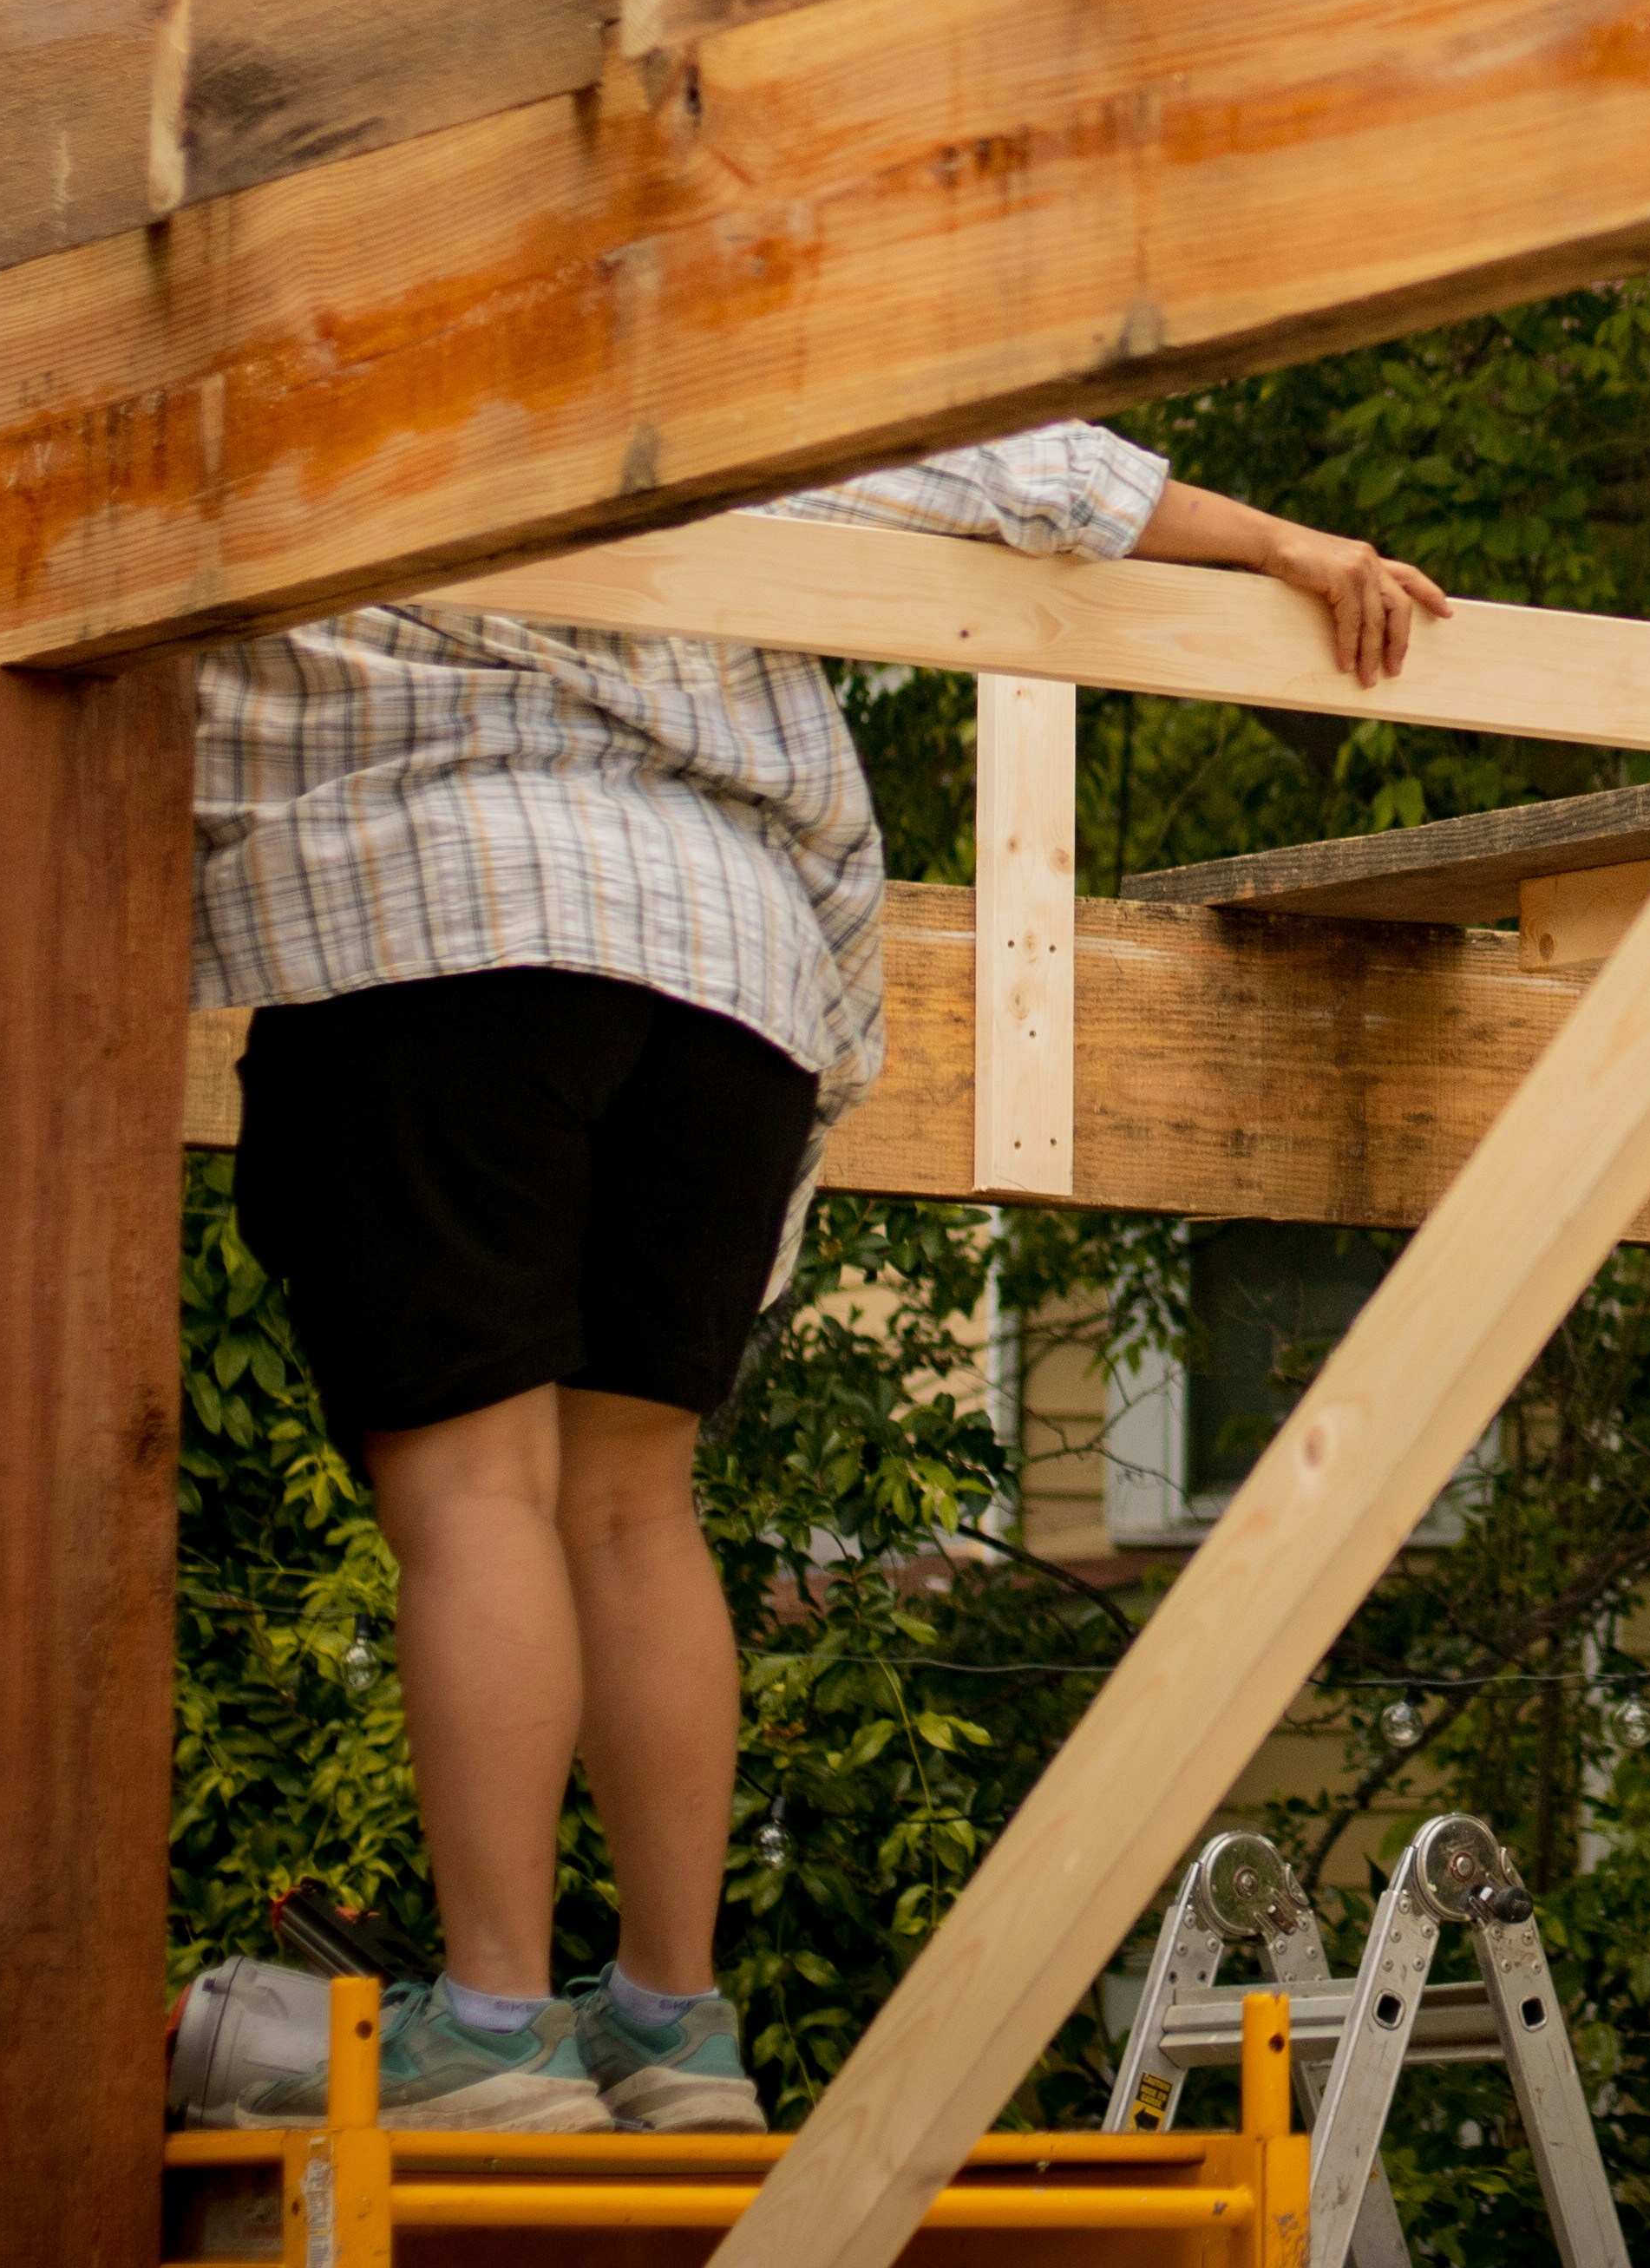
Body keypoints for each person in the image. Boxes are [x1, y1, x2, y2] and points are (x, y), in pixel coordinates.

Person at [195, 423, 1447, 2133]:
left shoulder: (307, 354)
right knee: (633, 1502)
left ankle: (492, 2022)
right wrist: (1288, 536)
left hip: (441, 907)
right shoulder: (683, 357)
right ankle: (673, 2024)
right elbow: (1004, 460)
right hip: (730, 964)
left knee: (475, 1487)